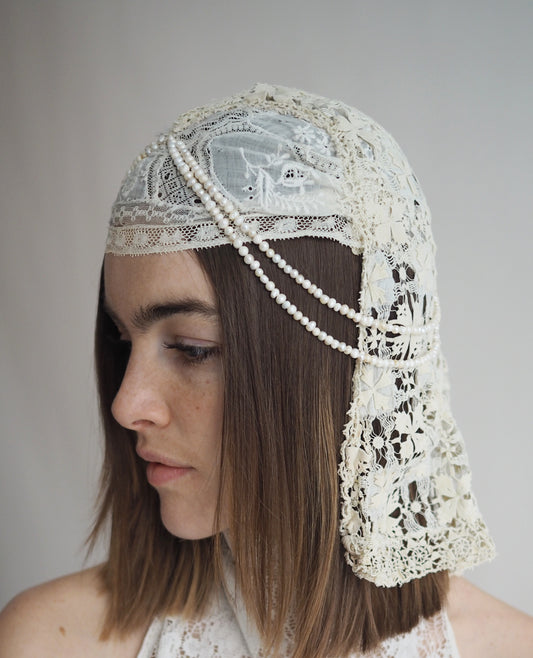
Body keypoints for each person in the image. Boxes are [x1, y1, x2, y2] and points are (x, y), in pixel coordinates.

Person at [1, 83, 532, 657]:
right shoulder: (45, 641)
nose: (126, 405)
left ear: (333, 370)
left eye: (192, 348)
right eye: (122, 340)